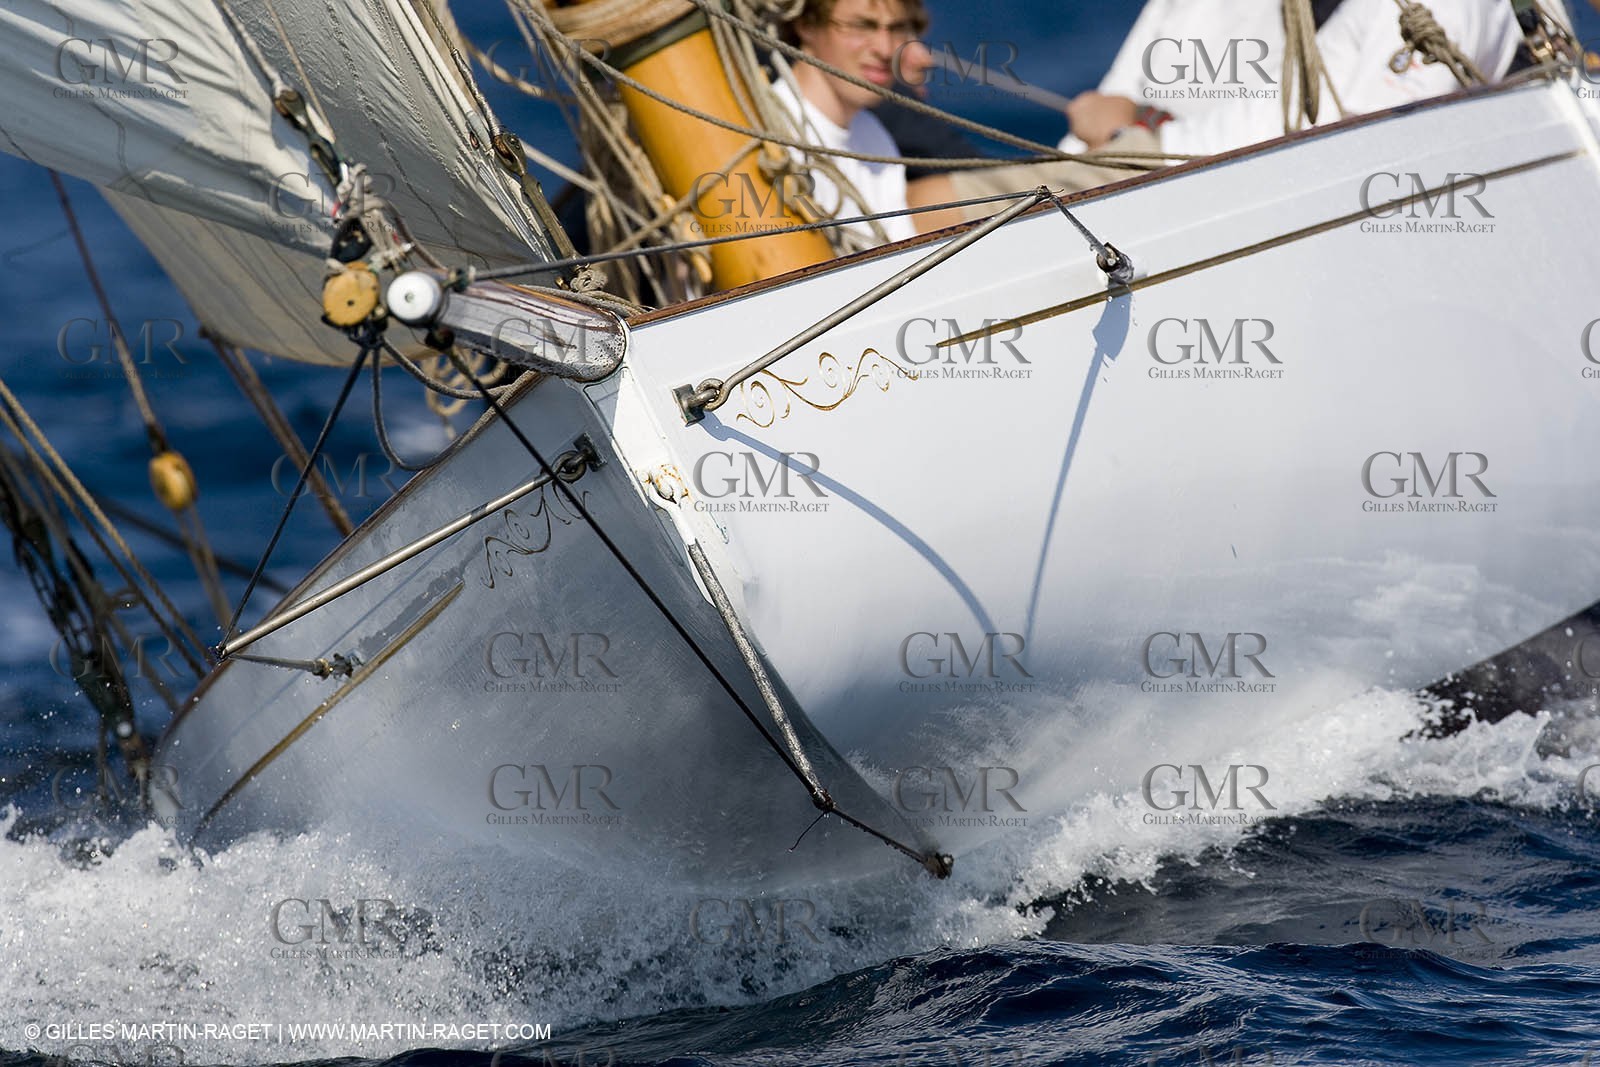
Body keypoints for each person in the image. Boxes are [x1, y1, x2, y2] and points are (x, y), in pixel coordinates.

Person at [934, 0, 1553, 222]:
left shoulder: (1447, 6)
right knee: (945, 198)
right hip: (1197, 159)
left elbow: (1371, 150)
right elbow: (1295, 118)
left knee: (945, 206)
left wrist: (1137, 133)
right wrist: (1147, 126)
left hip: (1217, 180)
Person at [772, 0, 934, 244]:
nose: (886, 49)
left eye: (897, 28)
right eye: (861, 26)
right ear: (806, 25)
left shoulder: (875, 138)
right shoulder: (769, 135)